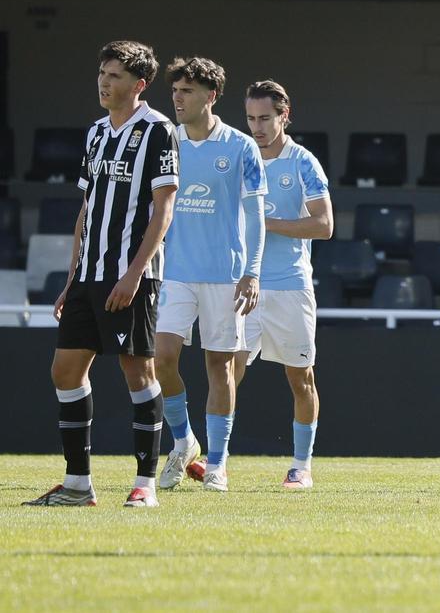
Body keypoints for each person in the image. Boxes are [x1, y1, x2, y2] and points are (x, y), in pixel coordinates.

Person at [24, 40, 178, 508]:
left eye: (114, 76)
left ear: (139, 84)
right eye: (102, 73)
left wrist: (134, 274)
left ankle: (145, 485)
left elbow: (164, 208)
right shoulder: (94, 133)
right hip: (89, 276)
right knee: (65, 371)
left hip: (130, 275)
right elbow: (87, 208)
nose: (104, 82)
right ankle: (77, 485)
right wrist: (72, 276)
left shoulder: (158, 130)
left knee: (138, 371)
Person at [154, 57, 266, 493]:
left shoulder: (240, 146)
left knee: (220, 366)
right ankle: (184, 442)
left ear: (211, 96)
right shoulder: (168, 142)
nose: (178, 98)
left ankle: (217, 463)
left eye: (187, 91)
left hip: (225, 275)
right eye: (175, 90)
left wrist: (252, 274)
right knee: (160, 359)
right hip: (175, 272)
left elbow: (256, 215)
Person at [233, 80, 332, 490]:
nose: (257, 127)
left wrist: (264, 224)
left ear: (284, 116)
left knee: (300, 377)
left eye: (265, 118)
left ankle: (301, 466)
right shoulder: (238, 158)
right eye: (251, 118)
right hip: (242, 286)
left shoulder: (303, 162)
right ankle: (212, 461)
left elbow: (324, 225)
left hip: (290, 286)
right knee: (227, 370)